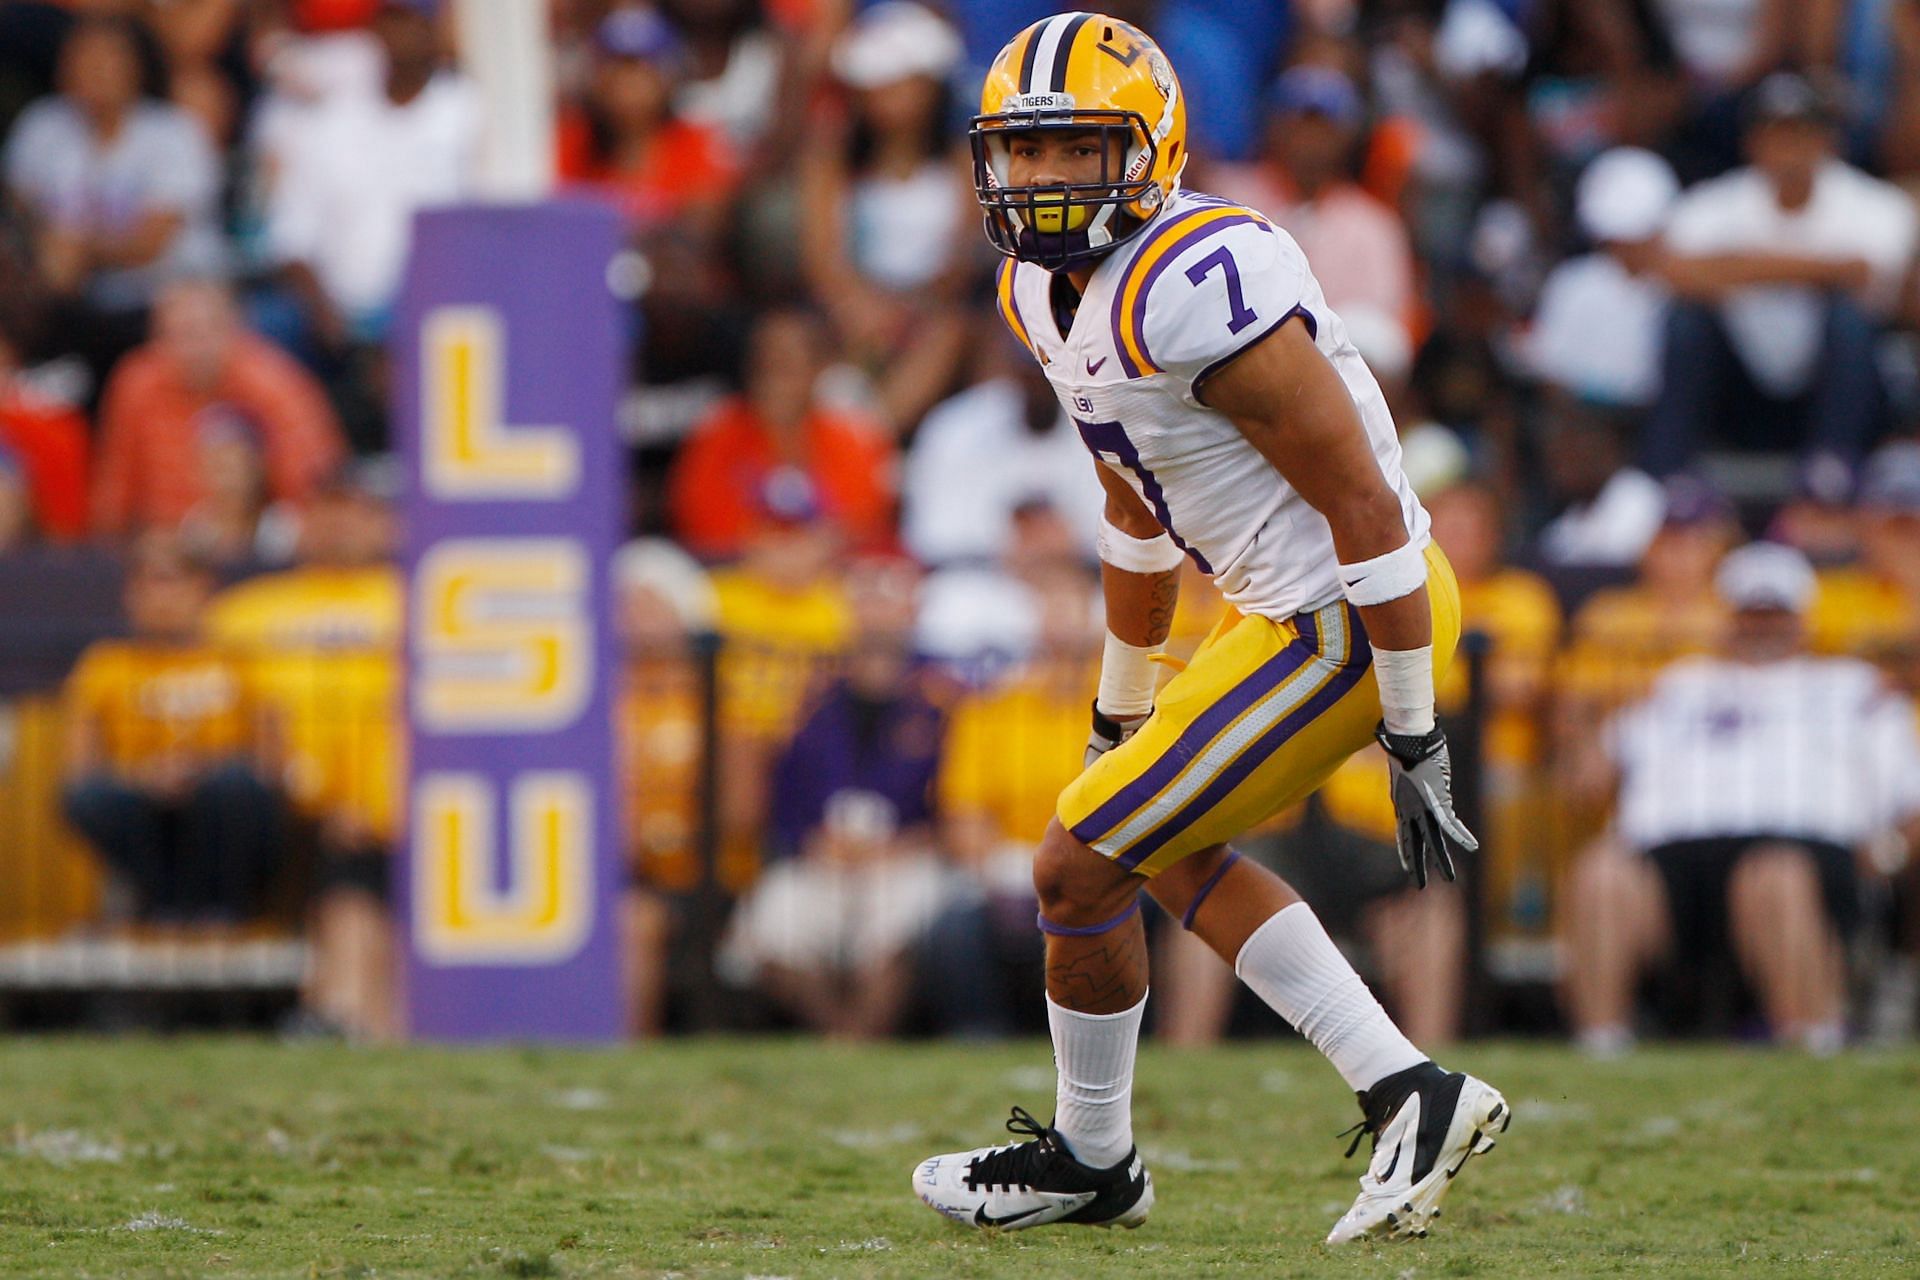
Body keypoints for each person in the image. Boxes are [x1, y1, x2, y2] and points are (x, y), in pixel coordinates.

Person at [911, 14, 1504, 1246]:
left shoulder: (1200, 280)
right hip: (1277, 611)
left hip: (1350, 611)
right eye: (1022, 154)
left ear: (1150, 149)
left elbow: (1366, 503)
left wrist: (1410, 726)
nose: (1042, 181)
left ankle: (1103, 1153)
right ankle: (1398, 1090)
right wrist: (1119, 702)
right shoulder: (1039, 288)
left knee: (1076, 861)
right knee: (1152, 840)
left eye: (1076, 151)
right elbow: (1132, 505)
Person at [1561, 542, 1920, 1054]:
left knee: (1772, 874)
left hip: (1806, 849)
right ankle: (1600, 1047)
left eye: (1774, 612)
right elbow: (1589, 782)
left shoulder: (1854, 687)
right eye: (1750, 612)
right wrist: (1581, 722)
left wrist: (1886, 855)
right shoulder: (1681, 683)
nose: (1762, 624)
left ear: (1801, 617)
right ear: (1727, 616)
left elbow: (1910, 798)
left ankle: (1813, 1040)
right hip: (1673, 857)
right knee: (1600, 871)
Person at [1645, 73, 1917, 477]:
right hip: (1742, 388)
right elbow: (1670, 270)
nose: (1790, 150)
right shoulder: (1716, 202)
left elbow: (1866, 277)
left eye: (1801, 134)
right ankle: (1666, 478)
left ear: (1828, 140)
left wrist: (1736, 268)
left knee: (1849, 319)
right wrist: (1818, 270)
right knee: (1687, 320)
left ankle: (1831, 479)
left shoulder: (1873, 204)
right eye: (1777, 135)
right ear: (1751, 142)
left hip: (1832, 394)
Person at [61, 533, 283, 923]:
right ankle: (159, 909)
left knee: (234, 787)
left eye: (172, 581)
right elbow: (80, 773)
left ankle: (223, 911)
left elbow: (272, 765)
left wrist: (200, 772)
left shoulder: (240, 660)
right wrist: (143, 778)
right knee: (91, 798)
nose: (160, 598)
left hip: (222, 815)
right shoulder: (105, 665)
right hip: (144, 813)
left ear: (204, 589)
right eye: (146, 584)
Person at [91, 278, 347, 538]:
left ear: (236, 329)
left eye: (205, 332)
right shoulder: (137, 385)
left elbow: (311, 494)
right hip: (167, 548)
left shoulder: (276, 386)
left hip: (258, 548)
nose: (194, 349)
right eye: (180, 335)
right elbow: (115, 490)